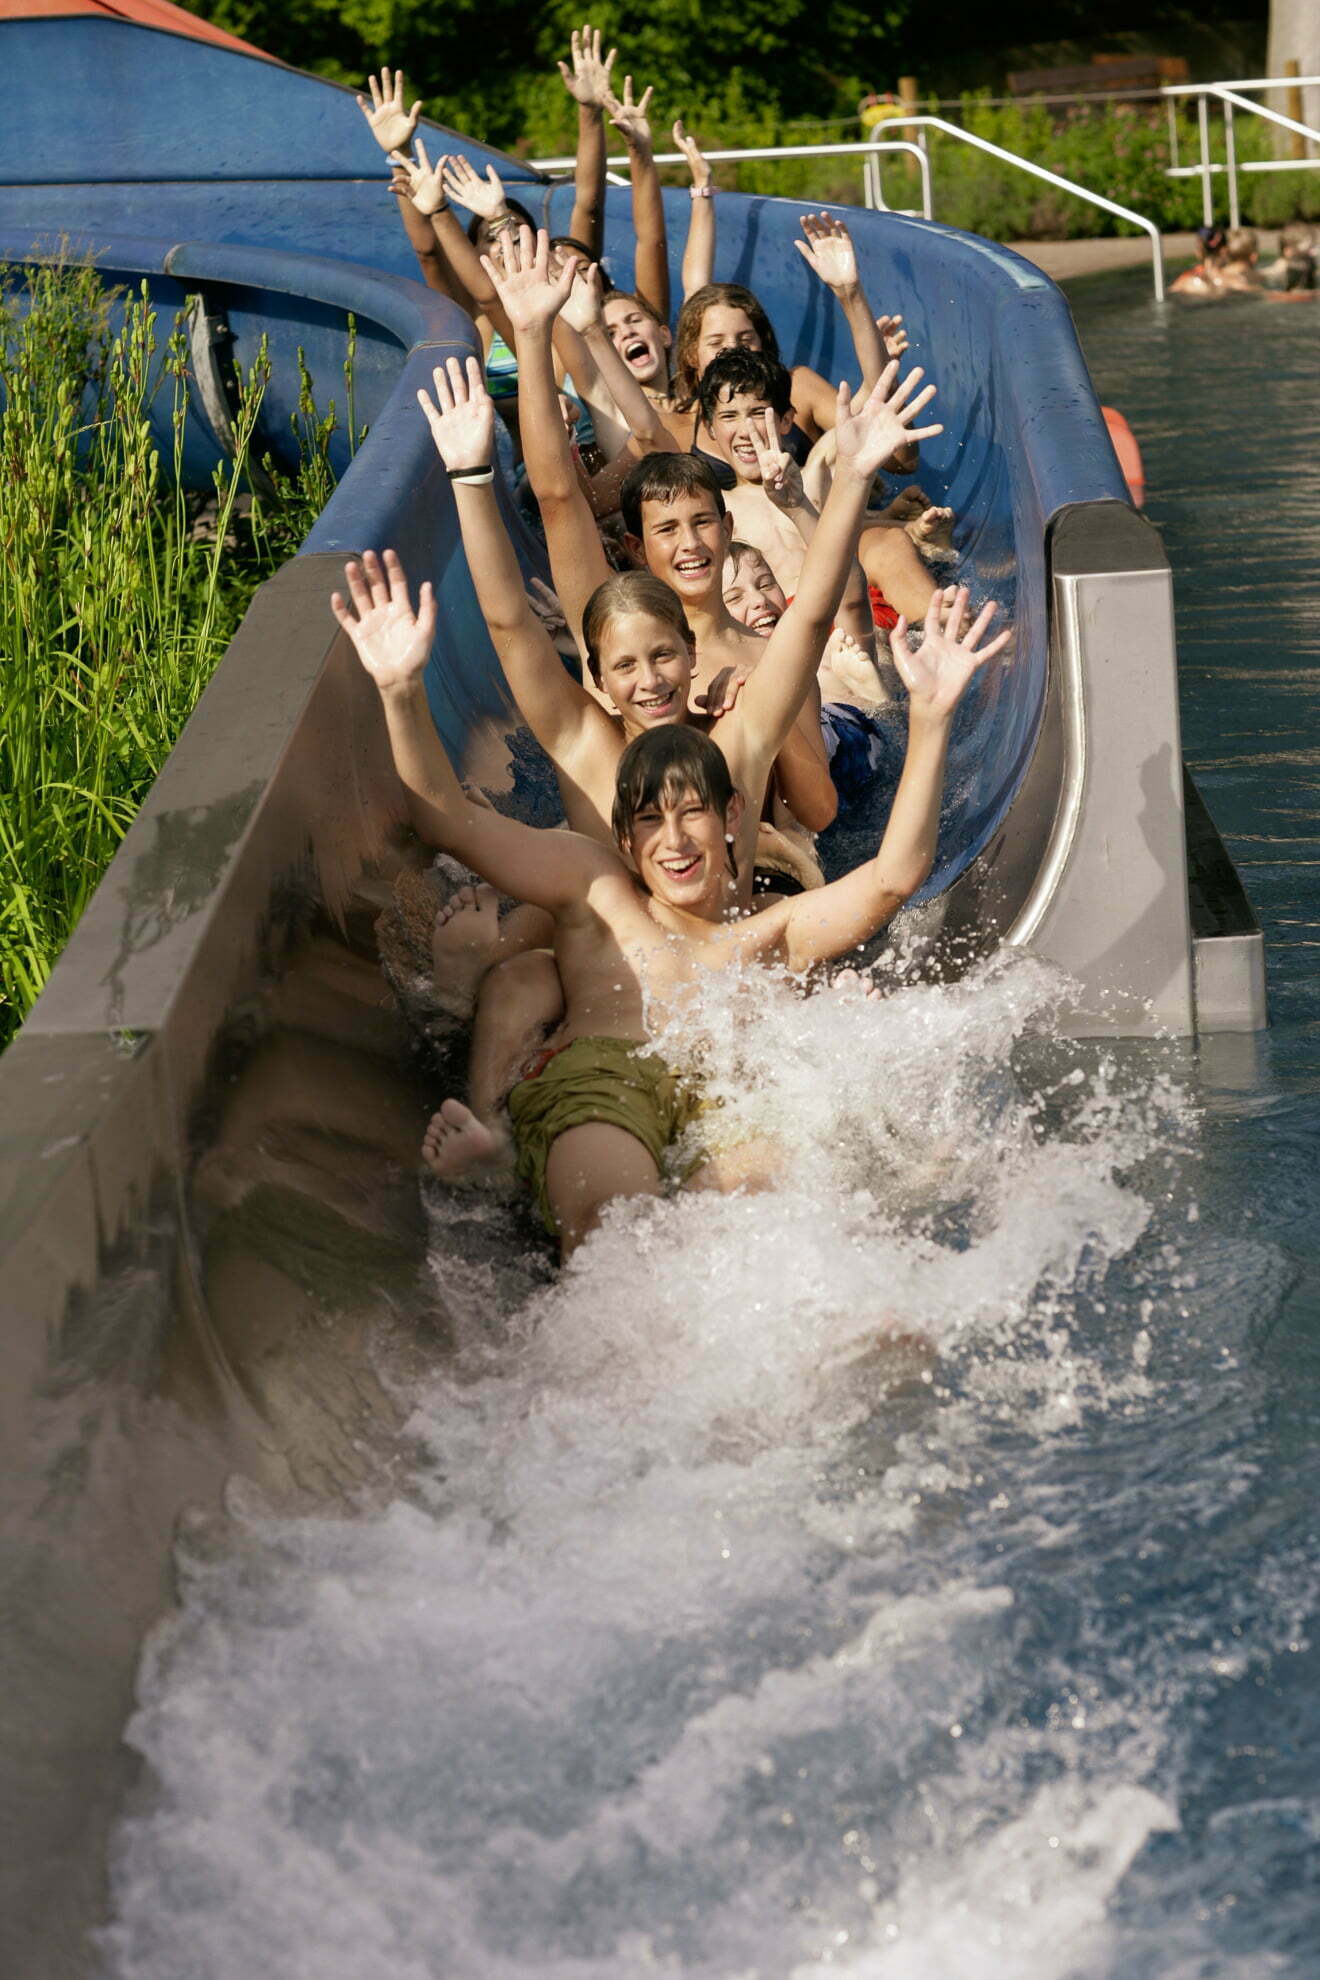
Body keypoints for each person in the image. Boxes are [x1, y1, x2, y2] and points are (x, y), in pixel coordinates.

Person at [331, 552, 1010, 1257]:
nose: (676, 842)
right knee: (613, 1229)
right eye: (651, 822)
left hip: (731, 1099)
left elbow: (894, 878)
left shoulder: (771, 933)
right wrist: (400, 691)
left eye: (692, 814)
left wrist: (931, 718)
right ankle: (502, 1141)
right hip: (604, 1078)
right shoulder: (597, 891)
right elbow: (448, 823)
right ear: (625, 838)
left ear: (731, 816)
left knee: (766, 1234)